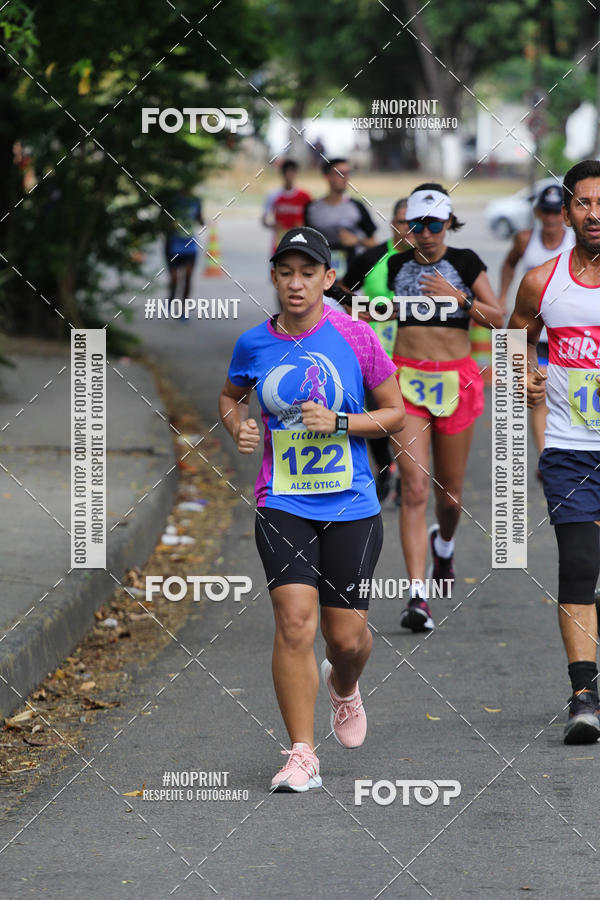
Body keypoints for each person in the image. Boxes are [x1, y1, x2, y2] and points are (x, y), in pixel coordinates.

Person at [219, 226, 405, 791]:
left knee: (345, 639)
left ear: (328, 279)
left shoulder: (356, 336)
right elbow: (231, 395)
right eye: (285, 272)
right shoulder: (254, 344)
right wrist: (239, 425)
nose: (295, 284)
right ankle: (302, 753)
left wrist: (343, 422)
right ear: (274, 277)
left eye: (308, 273)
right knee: (295, 622)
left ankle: (344, 686)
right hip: (284, 502)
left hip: (351, 503)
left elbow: (395, 413)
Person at [509, 159, 600, 744]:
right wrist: (525, 376)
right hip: (569, 447)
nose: (597, 215)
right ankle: (584, 695)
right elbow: (516, 340)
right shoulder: (543, 280)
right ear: (566, 211)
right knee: (579, 565)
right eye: (586, 203)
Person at [388, 184, 503, 632]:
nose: (427, 233)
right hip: (406, 382)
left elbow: (503, 320)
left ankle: (446, 545)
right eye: (417, 224)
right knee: (414, 488)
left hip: (455, 382)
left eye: (435, 224)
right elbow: (353, 303)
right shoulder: (393, 265)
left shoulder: (467, 262)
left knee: (449, 499)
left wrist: (462, 301)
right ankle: (417, 598)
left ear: (449, 223)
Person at [340, 198, 412, 504]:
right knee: (377, 416)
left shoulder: (429, 262)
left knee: (410, 419)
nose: (408, 229)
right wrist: (359, 309)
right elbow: (338, 289)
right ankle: (385, 468)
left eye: (415, 223)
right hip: (375, 355)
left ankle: (408, 478)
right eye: (402, 222)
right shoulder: (373, 257)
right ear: (392, 224)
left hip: (415, 355)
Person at [499, 184, 575, 468]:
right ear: (537, 213)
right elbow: (508, 264)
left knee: (571, 395)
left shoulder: (576, 242)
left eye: (557, 212)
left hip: (564, 335)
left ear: (564, 215)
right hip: (534, 335)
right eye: (547, 212)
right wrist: (501, 294)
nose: (552, 218)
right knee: (541, 395)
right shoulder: (524, 239)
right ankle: (547, 459)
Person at [305, 158, 377, 283]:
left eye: (348, 173)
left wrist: (357, 240)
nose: (345, 178)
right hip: (321, 276)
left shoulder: (357, 207)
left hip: (354, 277)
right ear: (327, 177)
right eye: (340, 173)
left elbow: (374, 244)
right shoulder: (312, 209)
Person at [165, 189, 204, 316]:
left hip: (190, 245)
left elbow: (200, 219)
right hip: (173, 244)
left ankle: (184, 309)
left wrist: (201, 220)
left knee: (187, 278)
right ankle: (171, 299)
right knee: (174, 279)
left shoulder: (196, 201)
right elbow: (163, 222)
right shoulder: (172, 201)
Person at [261, 159, 312, 254]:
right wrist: (274, 225)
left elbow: (311, 220)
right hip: (280, 241)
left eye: (292, 172)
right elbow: (264, 221)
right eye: (287, 172)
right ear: (282, 174)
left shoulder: (304, 196)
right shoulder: (273, 195)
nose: (290, 176)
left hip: (300, 241)